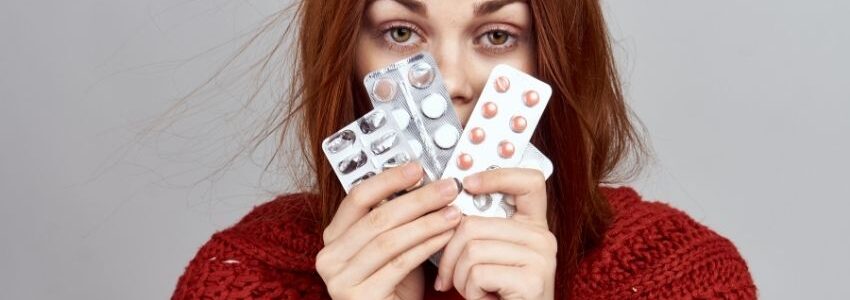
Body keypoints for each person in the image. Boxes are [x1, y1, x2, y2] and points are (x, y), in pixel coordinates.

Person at [172, 0, 756, 299]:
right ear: (346, 58)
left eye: (497, 36)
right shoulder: (243, 275)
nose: (450, 79)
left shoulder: (674, 272)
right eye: (401, 33)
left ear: (555, 55)